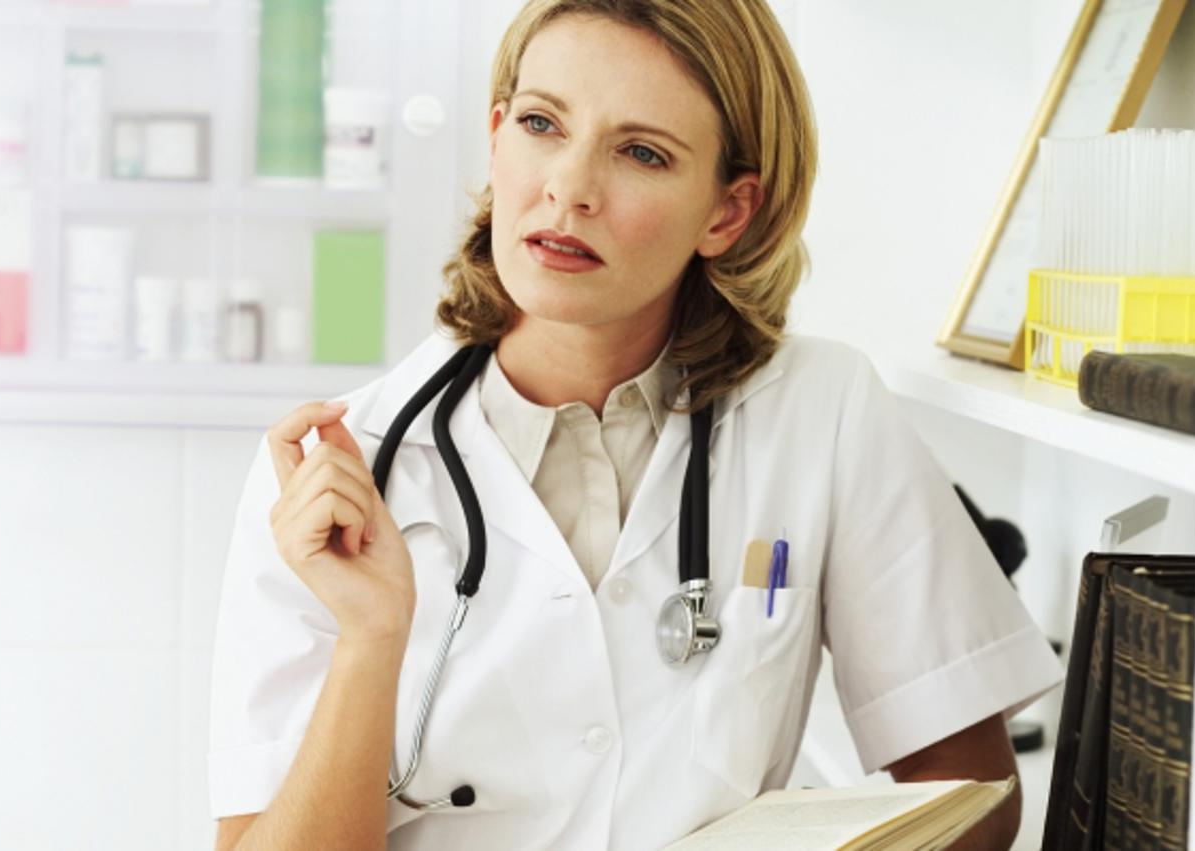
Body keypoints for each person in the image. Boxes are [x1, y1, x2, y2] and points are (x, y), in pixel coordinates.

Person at [209, 1, 1064, 848]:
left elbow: (972, 793)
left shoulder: (821, 408)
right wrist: (371, 637)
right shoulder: (340, 470)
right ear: (498, 134)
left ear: (726, 213)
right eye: (543, 123)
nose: (569, 189)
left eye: (642, 152)